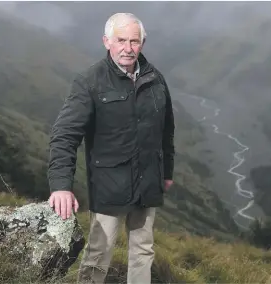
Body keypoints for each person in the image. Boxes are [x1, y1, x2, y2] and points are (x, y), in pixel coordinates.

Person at [46, 12, 175, 284]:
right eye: (121, 40)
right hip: (109, 184)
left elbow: (166, 129)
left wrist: (167, 172)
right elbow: (65, 134)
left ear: (142, 43)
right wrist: (60, 185)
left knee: (143, 250)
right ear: (106, 42)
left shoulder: (155, 78)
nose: (128, 48)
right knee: (98, 254)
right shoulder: (90, 81)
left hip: (149, 179)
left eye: (134, 41)